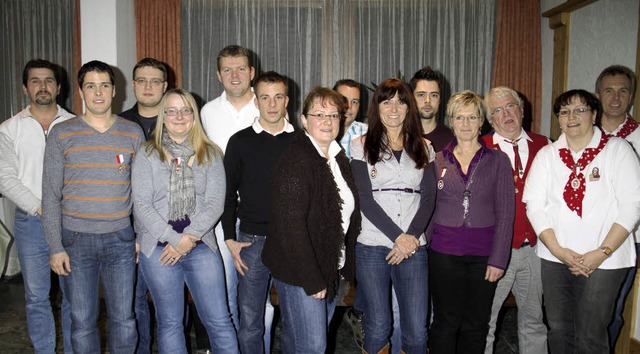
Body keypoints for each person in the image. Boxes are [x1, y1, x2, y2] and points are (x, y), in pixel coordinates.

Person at [523, 89, 640, 354]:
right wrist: (558, 251)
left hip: (606, 260)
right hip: (556, 259)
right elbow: (535, 206)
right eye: (564, 112)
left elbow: (632, 205)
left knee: (590, 333)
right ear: (559, 120)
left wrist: (602, 253)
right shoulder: (547, 155)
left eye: (579, 110)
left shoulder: (617, 150)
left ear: (594, 114)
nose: (571, 117)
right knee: (559, 330)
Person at [43, 60, 144, 352]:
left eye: (104, 85)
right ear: (80, 91)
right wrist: (54, 246)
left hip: (121, 240)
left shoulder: (132, 133)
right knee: (81, 320)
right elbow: (49, 194)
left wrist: (138, 236)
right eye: (90, 86)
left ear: (115, 90)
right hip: (75, 241)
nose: (97, 92)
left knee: (124, 319)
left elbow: (139, 192)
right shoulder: (62, 134)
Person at [131, 88, 239, 353]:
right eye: (171, 110)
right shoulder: (147, 153)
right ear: (163, 116)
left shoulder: (210, 153)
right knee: (169, 323)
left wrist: (187, 240)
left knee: (219, 321)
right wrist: (176, 240)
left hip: (201, 247)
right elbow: (142, 205)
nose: (179, 116)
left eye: (185, 110)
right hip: (158, 250)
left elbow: (215, 204)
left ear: (193, 115)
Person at [262, 87, 360, 353]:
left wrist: (342, 265)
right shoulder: (297, 160)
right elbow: (291, 227)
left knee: (300, 342)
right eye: (319, 114)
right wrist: (312, 279)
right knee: (313, 347)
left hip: (329, 267)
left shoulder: (337, 157)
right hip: (301, 272)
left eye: (333, 115)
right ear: (304, 120)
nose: (327, 121)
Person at [350, 78, 436, 354]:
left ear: (409, 107)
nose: (394, 108)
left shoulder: (424, 146)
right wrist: (399, 237)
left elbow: (429, 198)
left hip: (414, 247)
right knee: (377, 324)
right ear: (377, 107)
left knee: (416, 329)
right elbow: (365, 200)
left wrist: (410, 239)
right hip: (373, 245)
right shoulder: (360, 145)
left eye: (400, 101)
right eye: (387, 102)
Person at [200, 46, 275, 352]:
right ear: (218, 75)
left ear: (252, 72)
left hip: (262, 220)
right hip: (222, 219)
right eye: (227, 70)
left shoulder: (267, 106)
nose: (234, 75)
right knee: (227, 297)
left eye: (241, 68)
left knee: (261, 304)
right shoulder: (207, 112)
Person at [428, 90, 515, 353]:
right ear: (451, 121)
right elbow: (428, 207)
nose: (465, 124)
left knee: (476, 324)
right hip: (443, 253)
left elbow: (506, 212)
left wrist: (498, 259)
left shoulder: (498, 161)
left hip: (483, 257)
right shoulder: (437, 159)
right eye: (459, 117)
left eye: (472, 117)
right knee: (445, 322)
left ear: (482, 122)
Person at [0, 59, 74, 353]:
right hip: (31, 222)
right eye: (35, 81)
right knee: (36, 296)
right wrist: (43, 208)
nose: (43, 86)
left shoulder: (74, 125)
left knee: (74, 296)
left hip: (71, 222)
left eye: (48, 81)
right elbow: (6, 179)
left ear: (58, 87)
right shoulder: (9, 129)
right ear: (25, 87)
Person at [222, 71, 295, 354]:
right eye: (265, 97)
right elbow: (227, 194)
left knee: (293, 319)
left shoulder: (301, 142)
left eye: (278, 97)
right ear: (256, 101)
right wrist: (229, 238)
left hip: (291, 241)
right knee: (250, 320)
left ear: (287, 100)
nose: (272, 104)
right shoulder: (239, 142)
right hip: (251, 241)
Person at [482, 86, 549, 354]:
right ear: (490, 119)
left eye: (510, 106)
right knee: (485, 321)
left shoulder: (546, 146)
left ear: (522, 110)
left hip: (535, 250)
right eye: (497, 110)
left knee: (534, 320)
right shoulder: (480, 147)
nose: (505, 113)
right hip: (494, 254)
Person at [119, 57, 168, 354]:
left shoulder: (180, 120)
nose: (148, 87)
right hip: (128, 229)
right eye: (142, 81)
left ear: (165, 86)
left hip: (170, 229)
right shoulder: (119, 125)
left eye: (155, 81)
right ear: (133, 85)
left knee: (170, 303)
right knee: (133, 301)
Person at [594, 65, 640, 348]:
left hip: (628, 239)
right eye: (609, 90)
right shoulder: (583, 134)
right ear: (597, 95)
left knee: (610, 311)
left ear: (631, 96)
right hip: (584, 238)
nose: (615, 98)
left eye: (623, 91)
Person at [410, 66, 454, 152]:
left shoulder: (451, 140)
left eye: (434, 95)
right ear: (411, 98)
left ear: (440, 99)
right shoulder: (400, 138)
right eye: (421, 95)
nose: (427, 100)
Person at [334, 79, 368, 158]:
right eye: (343, 100)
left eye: (354, 102)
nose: (349, 106)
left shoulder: (368, 135)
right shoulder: (319, 132)